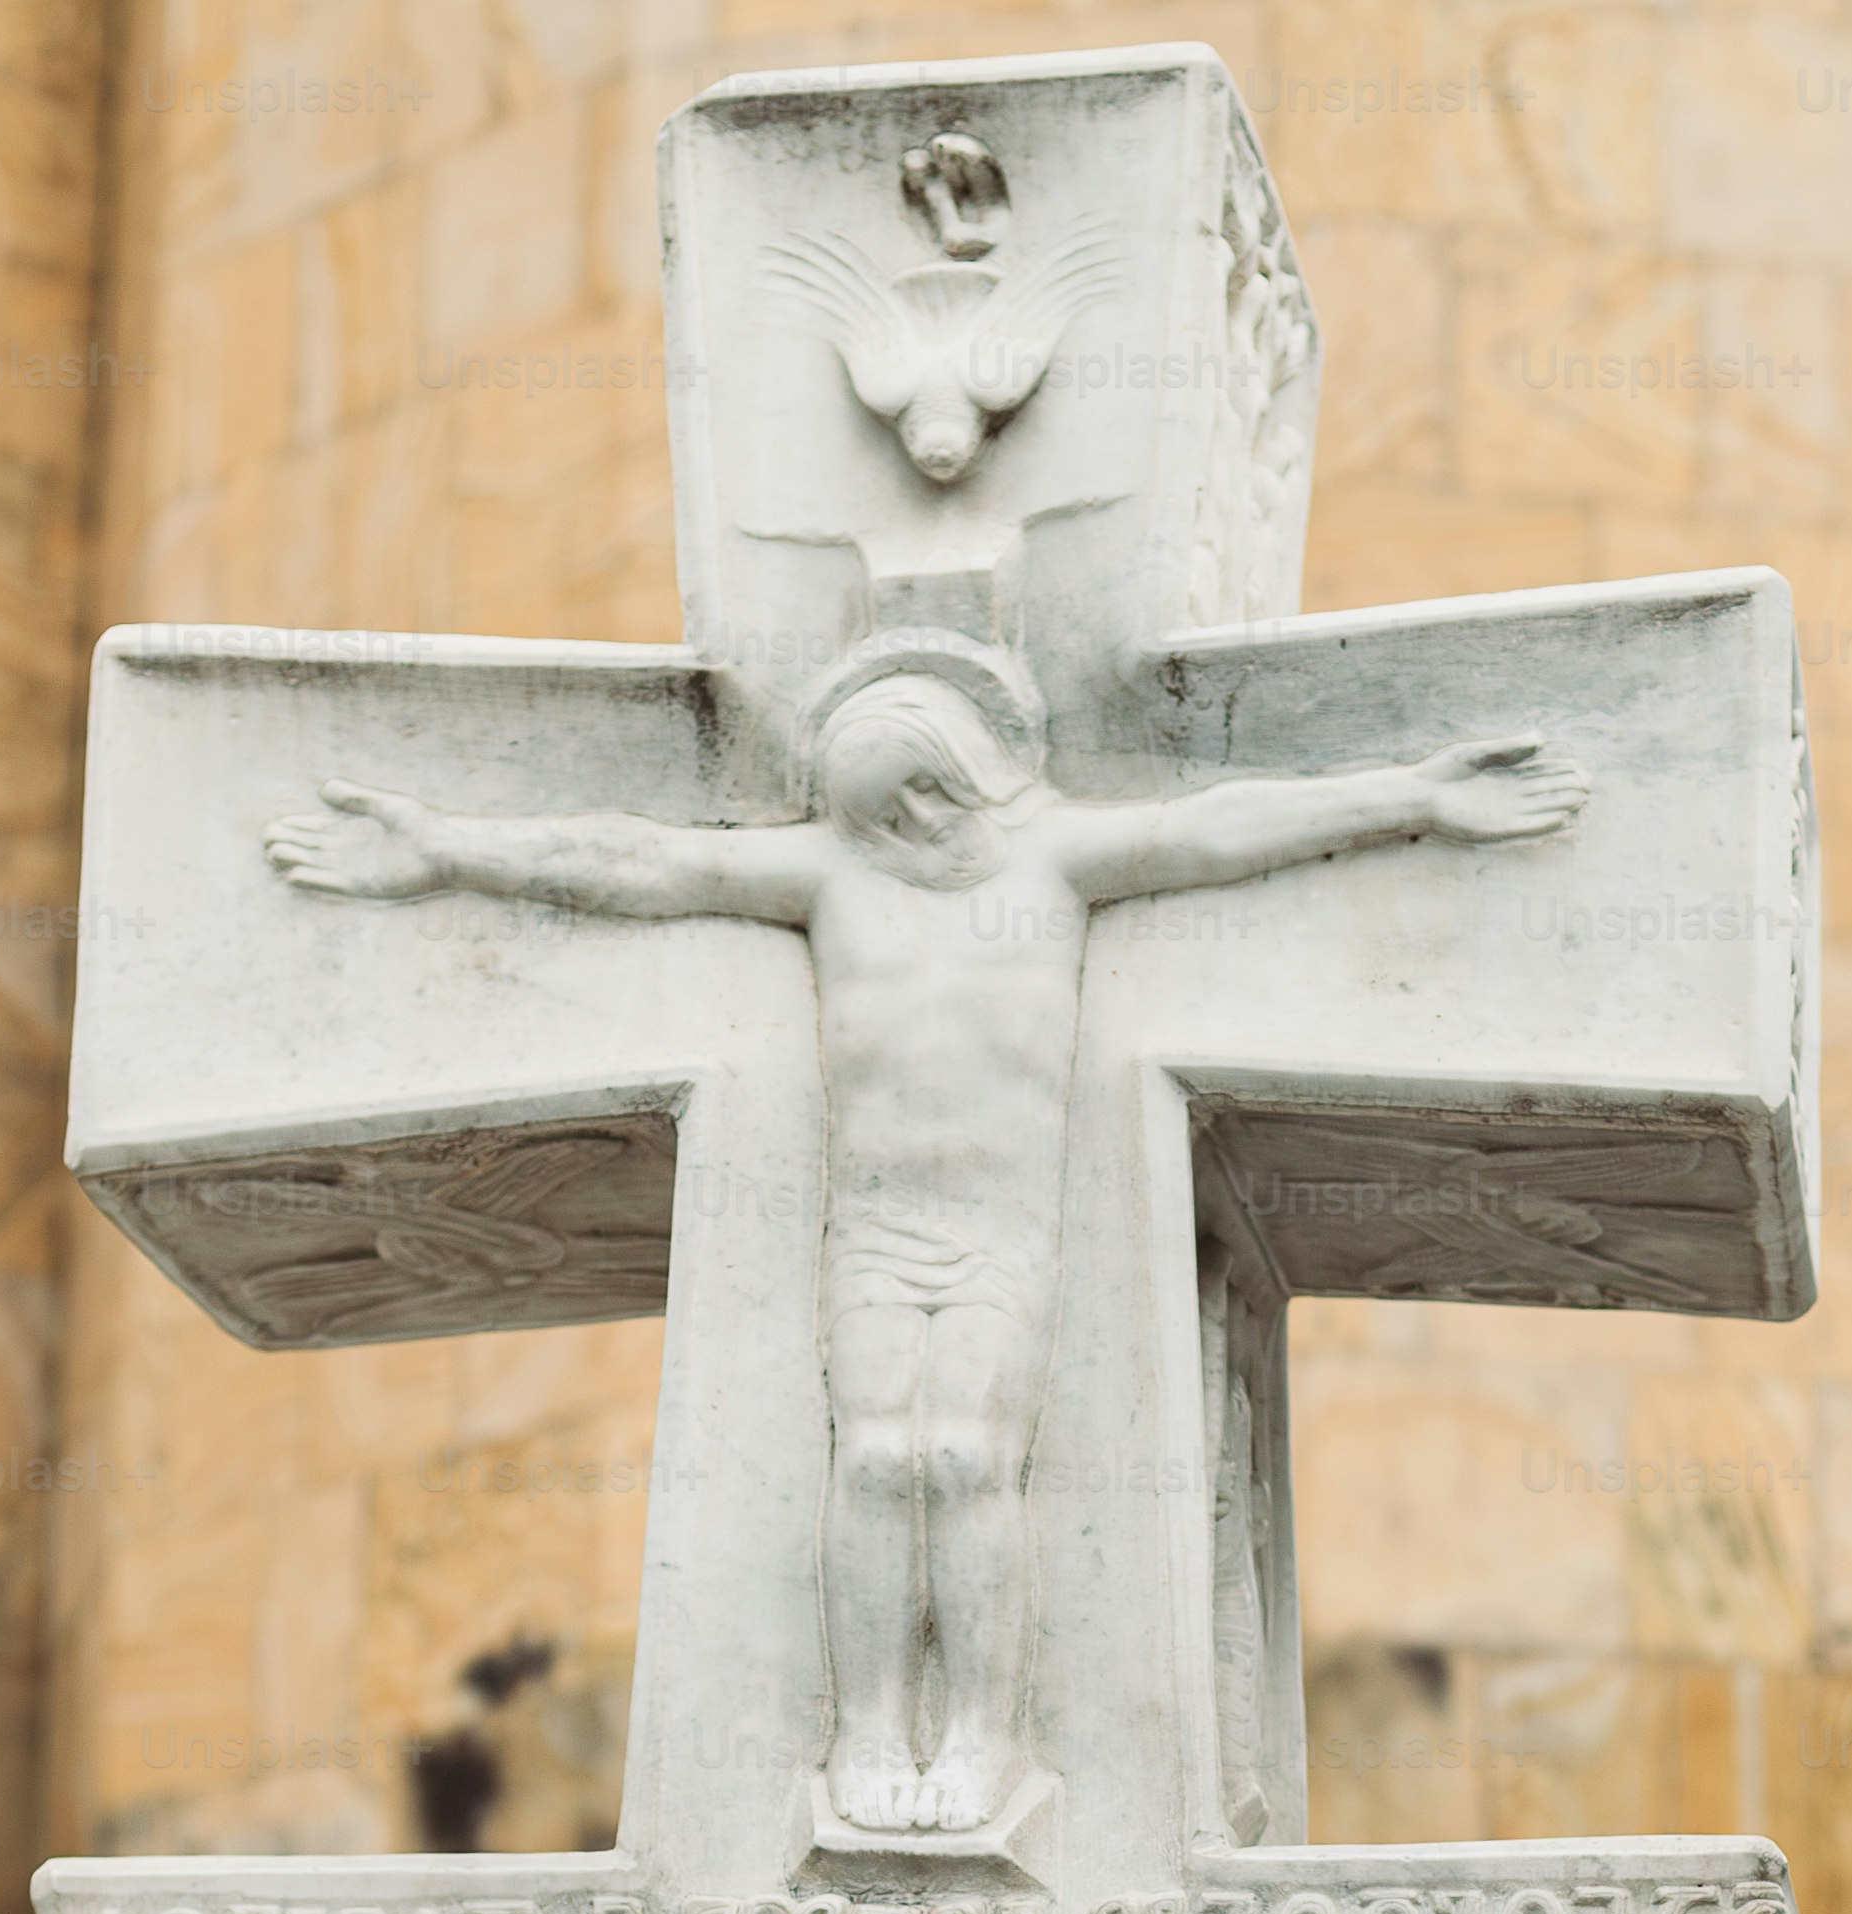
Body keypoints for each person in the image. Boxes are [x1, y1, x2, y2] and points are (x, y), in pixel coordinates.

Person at [269, 641, 1590, 1836]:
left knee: (962, 1457)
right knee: (879, 1463)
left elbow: (1222, 827)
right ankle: (866, 1737)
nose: (906, 828)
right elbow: (643, 861)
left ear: (961, 781)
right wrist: (441, 847)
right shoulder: (830, 876)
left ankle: (975, 1739)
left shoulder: (1055, 861)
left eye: (919, 799)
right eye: (877, 810)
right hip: (880, 1235)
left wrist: (1416, 795)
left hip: (999, 1236)